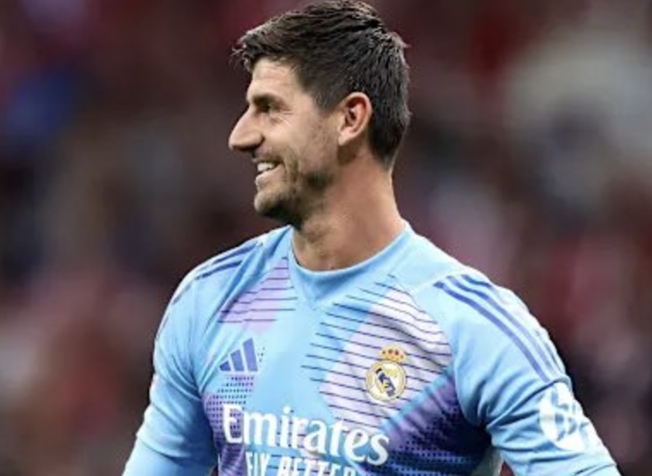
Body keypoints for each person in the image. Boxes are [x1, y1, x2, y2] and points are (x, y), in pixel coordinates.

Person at [122, 1, 621, 475]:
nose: (241, 136)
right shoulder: (211, 300)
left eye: (269, 109)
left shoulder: (470, 329)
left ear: (350, 119)